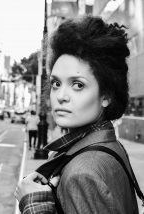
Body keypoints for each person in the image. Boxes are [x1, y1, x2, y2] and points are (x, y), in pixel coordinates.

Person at [14, 16, 140, 213]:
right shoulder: (109, 148)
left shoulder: (83, 174)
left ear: (106, 95)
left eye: (78, 85)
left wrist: (34, 203)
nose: (61, 96)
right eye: (56, 83)